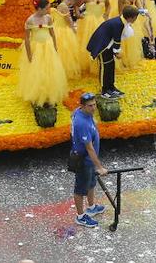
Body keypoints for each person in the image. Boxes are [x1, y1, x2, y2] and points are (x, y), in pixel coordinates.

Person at [69, 92, 108, 228]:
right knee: (80, 189)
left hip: (89, 161)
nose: (93, 108)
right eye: (90, 106)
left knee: (91, 183)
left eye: (94, 104)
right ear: (83, 106)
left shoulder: (79, 112)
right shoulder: (82, 124)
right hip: (84, 161)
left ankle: (91, 207)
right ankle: (80, 216)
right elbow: (89, 148)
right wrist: (99, 167)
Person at [85, 5, 140, 98]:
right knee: (105, 67)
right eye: (135, 18)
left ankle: (111, 86)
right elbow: (117, 39)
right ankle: (104, 90)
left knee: (111, 66)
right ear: (131, 18)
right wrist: (117, 52)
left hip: (108, 46)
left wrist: (115, 51)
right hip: (102, 47)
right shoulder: (119, 24)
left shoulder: (121, 21)